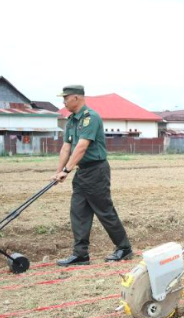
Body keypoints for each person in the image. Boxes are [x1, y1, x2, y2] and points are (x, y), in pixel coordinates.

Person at [51, 85, 133, 266]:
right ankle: (80, 254)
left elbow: (82, 146)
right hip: (82, 172)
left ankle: (124, 248)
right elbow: (66, 147)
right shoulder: (71, 121)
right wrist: (59, 171)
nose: (63, 102)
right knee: (78, 212)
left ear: (76, 98)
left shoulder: (91, 118)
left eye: (65, 98)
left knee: (104, 211)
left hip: (96, 171)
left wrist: (67, 170)